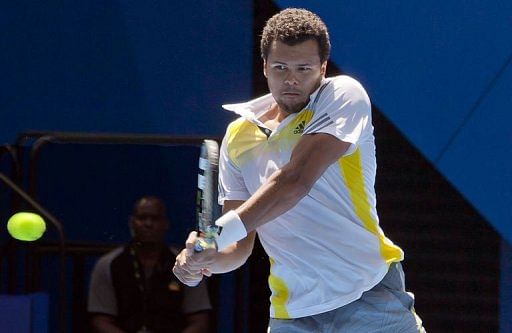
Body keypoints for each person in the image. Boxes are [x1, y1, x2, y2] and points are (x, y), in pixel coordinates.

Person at [173, 8, 426, 333]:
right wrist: (205, 261)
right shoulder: (237, 136)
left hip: (368, 293)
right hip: (292, 313)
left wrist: (213, 235)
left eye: (303, 68)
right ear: (264, 67)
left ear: (322, 69)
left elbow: (294, 180)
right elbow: (240, 247)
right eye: (280, 67)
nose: (291, 79)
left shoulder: (342, 96)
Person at [88, 196, 211, 333]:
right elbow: (100, 320)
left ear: (165, 223)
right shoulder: (109, 265)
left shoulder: (184, 263)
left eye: (155, 218)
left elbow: (199, 321)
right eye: (142, 218)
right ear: (132, 223)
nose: (148, 224)